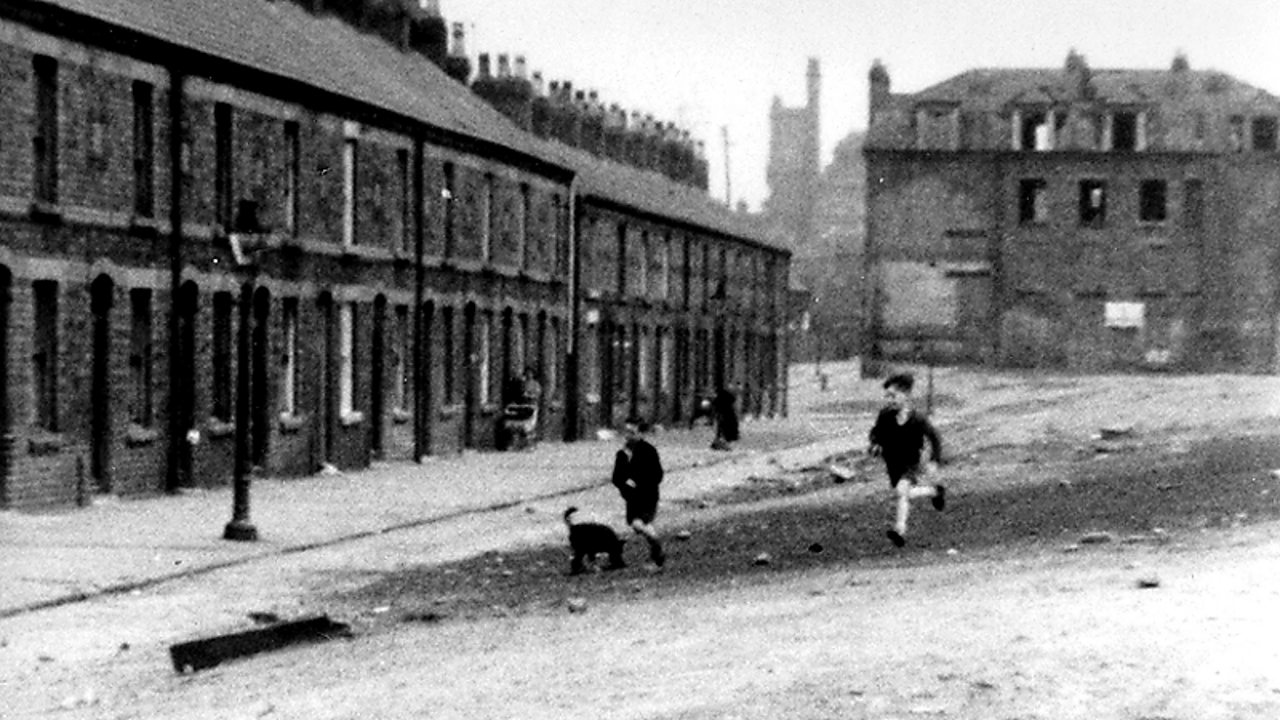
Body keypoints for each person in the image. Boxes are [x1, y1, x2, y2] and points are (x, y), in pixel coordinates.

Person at [868, 372, 946, 547]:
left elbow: (934, 438)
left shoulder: (918, 419)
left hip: (911, 463)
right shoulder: (885, 415)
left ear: (906, 395)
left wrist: (934, 460)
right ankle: (934, 491)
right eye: (887, 396)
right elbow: (875, 433)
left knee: (902, 491)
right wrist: (875, 444)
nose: (889, 400)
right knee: (904, 493)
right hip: (892, 463)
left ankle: (899, 530)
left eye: (893, 396)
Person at [611, 417, 666, 568]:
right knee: (639, 524)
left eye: (632, 432)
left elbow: (657, 475)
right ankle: (656, 552)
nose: (628, 436)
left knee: (638, 524)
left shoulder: (648, 451)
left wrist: (638, 482)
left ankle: (657, 547)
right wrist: (625, 484)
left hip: (647, 496)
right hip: (631, 498)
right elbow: (616, 477)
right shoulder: (622, 454)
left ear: (641, 434)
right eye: (626, 432)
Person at [711, 386, 739, 450]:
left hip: (724, 415)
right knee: (723, 429)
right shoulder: (726, 397)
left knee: (722, 429)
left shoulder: (719, 398)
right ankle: (720, 442)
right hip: (727, 415)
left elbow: (715, 406)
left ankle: (720, 442)